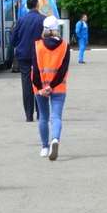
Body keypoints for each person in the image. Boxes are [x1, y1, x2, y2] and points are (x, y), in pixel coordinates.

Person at [32, 16, 69, 160]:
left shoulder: (37, 45)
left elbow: (34, 70)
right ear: (57, 29)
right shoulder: (65, 46)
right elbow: (63, 70)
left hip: (40, 88)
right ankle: (55, 139)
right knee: (56, 117)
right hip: (58, 87)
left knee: (43, 117)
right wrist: (52, 86)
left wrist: (41, 87)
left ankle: (44, 147)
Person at [10, 0, 46, 123]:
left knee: (26, 85)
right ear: (37, 5)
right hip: (39, 55)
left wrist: (19, 45)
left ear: (27, 6)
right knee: (39, 83)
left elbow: (13, 40)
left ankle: (28, 115)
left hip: (23, 56)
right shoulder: (43, 19)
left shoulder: (21, 20)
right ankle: (41, 114)